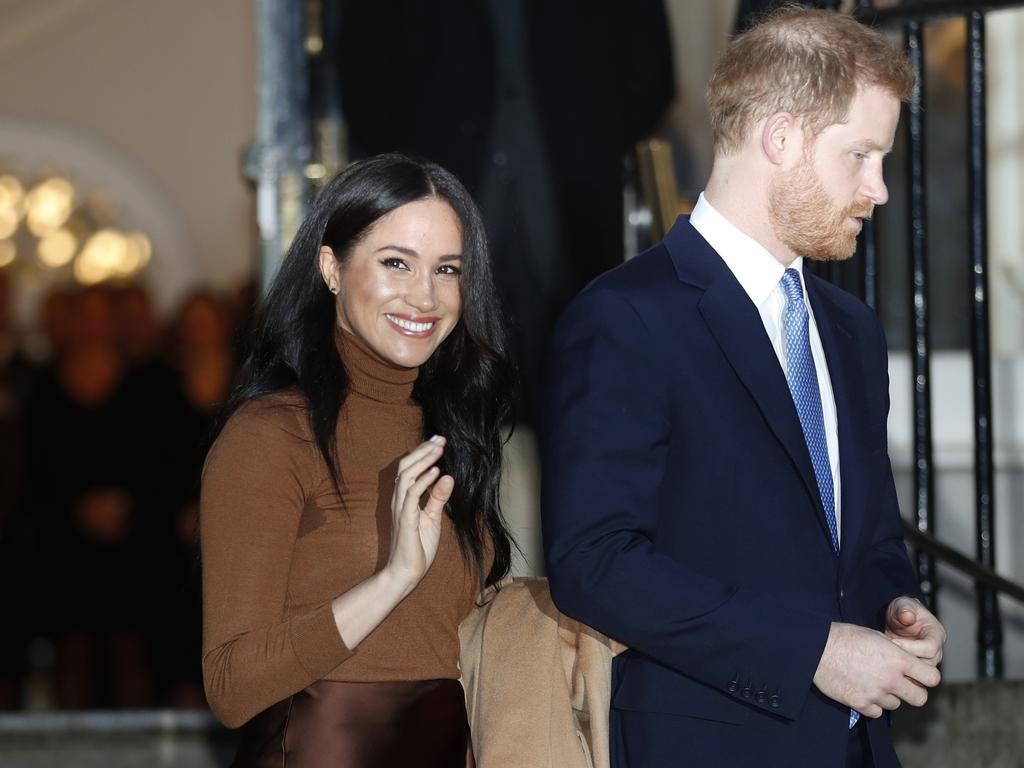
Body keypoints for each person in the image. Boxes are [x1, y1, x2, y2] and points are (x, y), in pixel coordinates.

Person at [542, 9, 947, 768]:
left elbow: (869, 540)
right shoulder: (625, 315)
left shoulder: (851, 329)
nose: (879, 189)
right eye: (861, 155)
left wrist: (896, 608)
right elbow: (595, 564)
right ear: (782, 138)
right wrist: (814, 652)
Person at [201, 154, 515, 766]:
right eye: (396, 262)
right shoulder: (271, 435)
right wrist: (394, 578)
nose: (424, 296)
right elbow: (231, 686)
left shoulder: (452, 437)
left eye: (446, 269)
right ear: (332, 268)